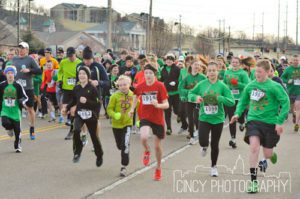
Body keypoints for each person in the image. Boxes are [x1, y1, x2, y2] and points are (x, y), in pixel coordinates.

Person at [230, 60, 290, 193]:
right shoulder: (251, 86)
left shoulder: (274, 86)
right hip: (253, 121)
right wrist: (237, 113)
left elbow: (285, 102)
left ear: (268, 72)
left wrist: (279, 121)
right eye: (255, 71)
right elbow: (243, 101)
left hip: (270, 123)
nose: (257, 74)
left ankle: (271, 155)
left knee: (267, 153)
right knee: (254, 148)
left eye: (260, 72)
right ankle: (253, 182)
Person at [188, 61, 235, 177]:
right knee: (203, 141)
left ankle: (214, 166)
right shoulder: (202, 84)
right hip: (204, 117)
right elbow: (190, 94)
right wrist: (196, 97)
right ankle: (204, 146)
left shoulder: (223, 86)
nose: (212, 73)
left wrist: (220, 98)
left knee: (215, 144)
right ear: (206, 72)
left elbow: (231, 101)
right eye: (209, 71)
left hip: (218, 119)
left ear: (217, 71)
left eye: (214, 70)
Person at [130, 64, 169, 181]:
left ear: (154, 74)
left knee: (157, 146)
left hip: (157, 118)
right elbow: (135, 96)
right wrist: (132, 109)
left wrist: (158, 105)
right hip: (144, 116)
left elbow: (166, 104)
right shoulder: (140, 86)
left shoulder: (160, 86)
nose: (148, 75)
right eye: (146, 73)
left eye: (150, 73)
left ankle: (158, 168)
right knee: (144, 137)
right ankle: (147, 150)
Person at [62, 66, 103, 167]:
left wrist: (87, 102)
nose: (81, 76)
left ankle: (99, 155)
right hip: (79, 114)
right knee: (76, 130)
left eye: (84, 74)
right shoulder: (77, 88)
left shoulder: (92, 88)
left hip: (90, 115)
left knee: (94, 137)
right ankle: (77, 152)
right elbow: (73, 101)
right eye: (80, 74)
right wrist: (66, 108)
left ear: (88, 76)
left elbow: (98, 103)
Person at [12, 42, 42, 140]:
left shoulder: (30, 59)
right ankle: (17, 130)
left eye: (23, 48)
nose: (21, 50)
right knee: (17, 110)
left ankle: (32, 128)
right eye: (19, 48)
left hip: (28, 88)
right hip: (17, 88)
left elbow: (39, 71)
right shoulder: (14, 59)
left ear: (27, 50)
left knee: (30, 109)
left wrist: (29, 70)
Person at [107, 75, 134, 177]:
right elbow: (109, 109)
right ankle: (123, 148)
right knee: (120, 145)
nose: (123, 86)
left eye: (125, 84)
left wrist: (138, 121)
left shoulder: (133, 95)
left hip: (127, 123)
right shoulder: (114, 96)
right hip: (116, 125)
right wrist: (114, 115)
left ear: (129, 85)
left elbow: (139, 107)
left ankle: (124, 166)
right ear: (118, 86)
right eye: (120, 85)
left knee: (125, 145)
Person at [0, 65, 28, 152]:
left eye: (11, 73)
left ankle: (18, 145)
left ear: (14, 74)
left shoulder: (18, 85)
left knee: (17, 131)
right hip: (5, 109)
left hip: (16, 110)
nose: (10, 75)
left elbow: (25, 97)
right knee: (5, 122)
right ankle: (9, 128)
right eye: (8, 73)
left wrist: (21, 101)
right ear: (5, 74)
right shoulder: (2, 85)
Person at [223, 57, 250, 148]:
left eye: (236, 62)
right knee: (232, 119)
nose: (234, 63)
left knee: (240, 117)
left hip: (240, 99)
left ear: (239, 64)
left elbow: (247, 86)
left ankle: (242, 123)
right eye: (233, 62)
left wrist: (237, 83)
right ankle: (233, 139)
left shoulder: (243, 73)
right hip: (230, 98)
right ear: (231, 63)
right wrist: (227, 87)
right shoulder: (227, 72)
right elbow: (224, 84)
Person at [179, 60, 207, 145]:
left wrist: (200, 93)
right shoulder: (187, 78)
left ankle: (199, 132)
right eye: (195, 64)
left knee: (196, 118)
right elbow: (181, 88)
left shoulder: (202, 77)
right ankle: (191, 136)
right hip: (189, 100)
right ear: (191, 66)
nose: (197, 66)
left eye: (198, 65)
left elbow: (207, 87)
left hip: (198, 100)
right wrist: (187, 92)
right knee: (190, 119)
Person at [57, 47, 82, 140]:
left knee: (72, 111)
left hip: (76, 89)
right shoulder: (63, 62)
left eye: (71, 56)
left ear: (75, 54)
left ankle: (71, 131)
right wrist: (59, 80)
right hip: (66, 89)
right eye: (69, 56)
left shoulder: (79, 63)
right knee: (64, 109)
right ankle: (72, 121)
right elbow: (60, 72)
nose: (70, 58)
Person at [160, 54, 181, 135]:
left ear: (173, 61)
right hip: (166, 93)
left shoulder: (177, 69)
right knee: (167, 111)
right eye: (167, 59)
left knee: (176, 110)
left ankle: (179, 115)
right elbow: (161, 79)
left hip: (176, 93)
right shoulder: (163, 69)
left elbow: (180, 79)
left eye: (171, 59)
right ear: (165, 61)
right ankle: (169, 128)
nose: (169, 61)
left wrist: (175, 82)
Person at [281, 55, 300, 132]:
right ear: (292, 61)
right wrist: (287, 81)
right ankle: (294, 115)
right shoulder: (288, 69)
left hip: (299, 92)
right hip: (290, 91)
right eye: (294, 60)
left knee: (298, 106)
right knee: (292, 109)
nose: (296, 61)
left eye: (297, 60)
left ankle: (296, 124)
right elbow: (282, 78)